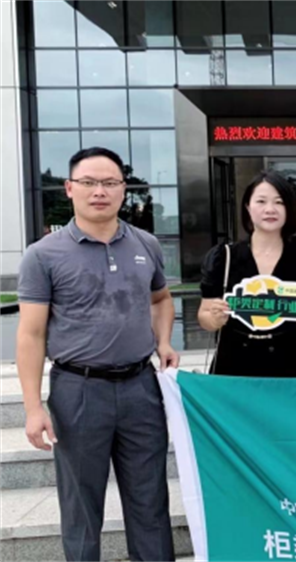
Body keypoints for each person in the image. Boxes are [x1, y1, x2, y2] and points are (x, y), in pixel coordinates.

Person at [16, 147, 178, 562]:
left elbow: (161, 299)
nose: (99, 191)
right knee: (81, 507)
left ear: (124, 189)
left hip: (141, 389)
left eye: (110, 183)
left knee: (150, 500)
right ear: (70, 188)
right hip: (79, 390)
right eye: (88, 182)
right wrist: (33, 408)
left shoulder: (145, 244)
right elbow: (31, 334)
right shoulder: (43, 254)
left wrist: (163, 341)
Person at [198, 171, 296, 377]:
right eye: (261, 201)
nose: (270, 209)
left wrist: (280, 332)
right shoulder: (224, 257)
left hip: (286, 364)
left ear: (289, 208)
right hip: (232, 365)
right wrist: (215, 320)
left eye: (279, 202)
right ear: (248, 207)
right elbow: (204, 315)